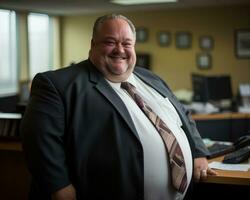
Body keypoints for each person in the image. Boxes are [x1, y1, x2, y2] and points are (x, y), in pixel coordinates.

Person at [20, 14, 217, 200]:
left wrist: (198, 152)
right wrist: (58, 186)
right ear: (92, 45)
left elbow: (183, 115)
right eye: (110, 42)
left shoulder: (151, 78)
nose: (119, 49)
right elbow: (38, 138)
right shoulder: (58, 84)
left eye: (126, 43)